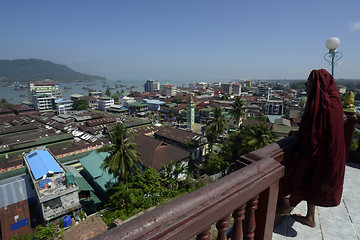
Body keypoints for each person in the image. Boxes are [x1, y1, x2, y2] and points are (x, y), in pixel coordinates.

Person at [277, 69, 346, 228]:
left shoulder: (323, 106)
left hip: (321, 151)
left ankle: (285, 207)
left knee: (298, 176)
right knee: (313, 181)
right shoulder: (333, 101)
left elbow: (315, 132)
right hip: (329, 151)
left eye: (309, 85)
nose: (307, 89)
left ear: (317, 87)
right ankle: (310, 217)